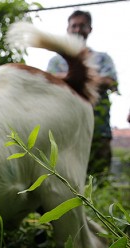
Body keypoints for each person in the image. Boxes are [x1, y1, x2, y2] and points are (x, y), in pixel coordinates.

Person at [47, 10, 118, 176]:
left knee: (99, 177)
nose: (78, 29)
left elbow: (110, 81)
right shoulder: (56, 61)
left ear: (90, 29)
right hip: (65, 130)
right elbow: (49, 82)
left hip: (98, 130)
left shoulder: (102, 58)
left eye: (82, 26)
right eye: (74, 26)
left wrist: (72, 78)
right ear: (68, 29)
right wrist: (90, 79)